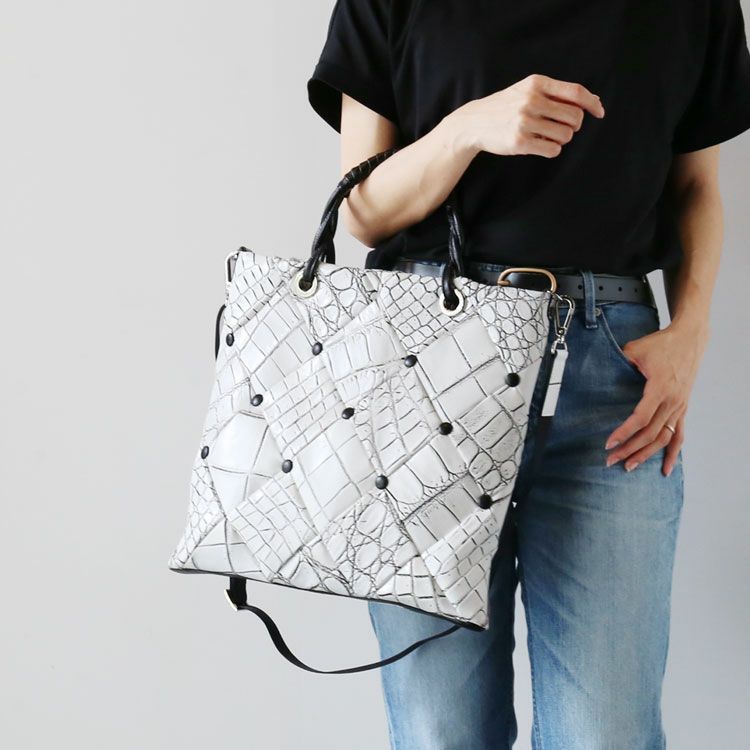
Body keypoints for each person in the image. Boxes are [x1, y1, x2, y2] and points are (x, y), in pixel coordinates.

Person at [307, 2, 750, 748]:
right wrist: (465, 129)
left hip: (616, 379)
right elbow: (364, 211)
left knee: (607, 734)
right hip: (429, 374)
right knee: (441, 732)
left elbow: (696, 186)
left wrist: (692, 333)